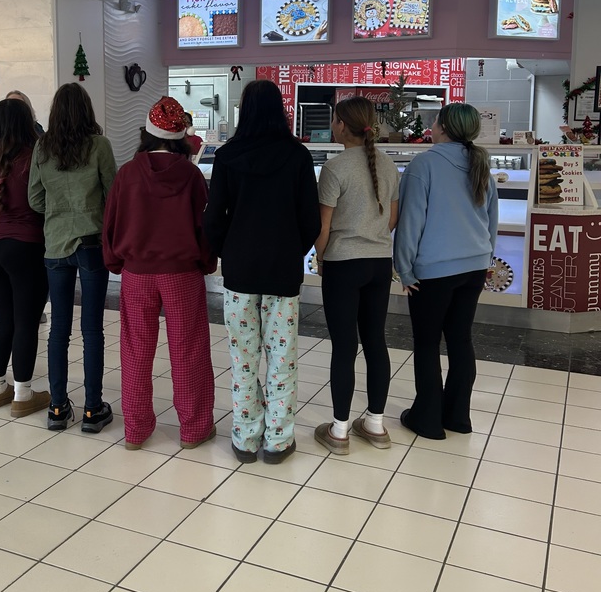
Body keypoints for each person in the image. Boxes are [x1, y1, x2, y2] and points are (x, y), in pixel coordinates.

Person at [203, 79, 320, 464]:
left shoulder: (227, 155)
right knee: (283, 360)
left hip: (239, 274)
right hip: (283, 275)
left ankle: (245, 437)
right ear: (280, 109)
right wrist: (289, 251)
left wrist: (227, 252)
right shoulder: (298, 156)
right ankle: (278, 441)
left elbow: (213, 218)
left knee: (243, 359)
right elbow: (311, 221)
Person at [103, 96, 217, 450]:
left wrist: (116, 262)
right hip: (181, 273)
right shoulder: (191, 175)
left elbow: (111, 222)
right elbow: (204, 225)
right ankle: (194, 429)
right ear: (182, 136)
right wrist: (206, 262)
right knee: (189, 349)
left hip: (137, 274)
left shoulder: (127, 173)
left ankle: (136, 431)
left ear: (146, 133)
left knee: (136, 351)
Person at [394, 103, 498, 440]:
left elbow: (411, 222)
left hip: (434, 270)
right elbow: (491, 223)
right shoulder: (481, 165)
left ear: (444, 127)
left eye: (436, 120)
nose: (432, 125)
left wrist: (404, 268)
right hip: (475, 265)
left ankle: (427, 419)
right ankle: (457, 417)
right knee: (460, 339)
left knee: (426, 343)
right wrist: (486, 259)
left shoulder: (424, 164)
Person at [28, 82, 117, 432]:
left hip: (54, 245)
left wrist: (58, 212)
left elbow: (35, 198)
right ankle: (93, 409)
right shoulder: (99, 145)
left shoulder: (42, 147)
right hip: (92, 244)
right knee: (92, 330)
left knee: (58, 331)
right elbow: (113, 194)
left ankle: (57, 407)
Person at [313, 97, 400, 455]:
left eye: (335, 120)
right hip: (380, 263)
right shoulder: (390, 165)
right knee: (375, 342)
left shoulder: (334, 168)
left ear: (341, 126)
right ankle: (376, 425)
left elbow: (324, 226)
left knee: (344, 346)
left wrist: (319, 256)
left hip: (343, 264)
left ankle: (339, 431)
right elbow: (391, 220)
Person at [0, 99, 50, 417]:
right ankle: (22, 394)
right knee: (27, 321)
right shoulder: (34, 156)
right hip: (25, 244)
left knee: (4, 316)